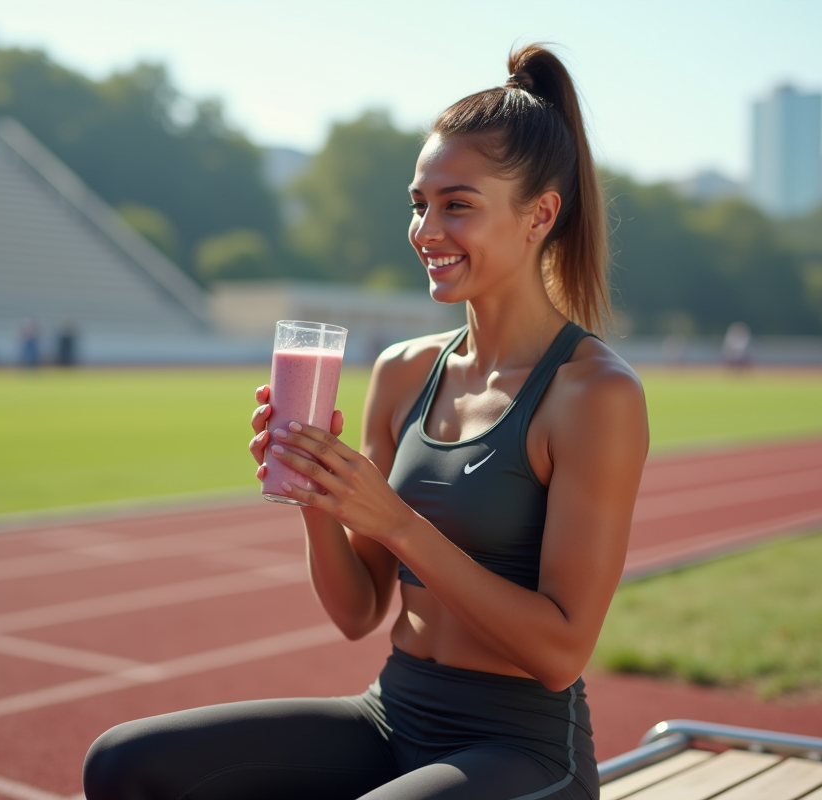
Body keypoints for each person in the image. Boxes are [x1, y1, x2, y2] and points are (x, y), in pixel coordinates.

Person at [84, 44, 649, 800]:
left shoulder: (593, 394)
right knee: (123, 764)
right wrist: (321, 498)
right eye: (419, 203)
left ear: (540, 215)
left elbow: (560, 652)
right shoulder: (405, 371)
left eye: (458, 204)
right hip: (394, 717)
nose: (426, 230)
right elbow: (357, 612)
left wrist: (399, 521)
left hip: (526, 751)